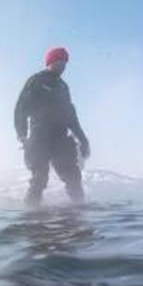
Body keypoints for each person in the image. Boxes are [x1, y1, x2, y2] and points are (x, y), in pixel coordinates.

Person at [14, 47, 91, 206]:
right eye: (59, 61)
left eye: (65, 62)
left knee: (73, 177)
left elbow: (71, 116)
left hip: (60, 138)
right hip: (39, 136)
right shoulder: (36, 81)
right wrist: (21, 134)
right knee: (39, 179)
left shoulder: (63, 87)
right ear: (50, 61)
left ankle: (79, 213)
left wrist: (83, 139)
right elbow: (21, 108)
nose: (63, 65)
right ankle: (30, 216)